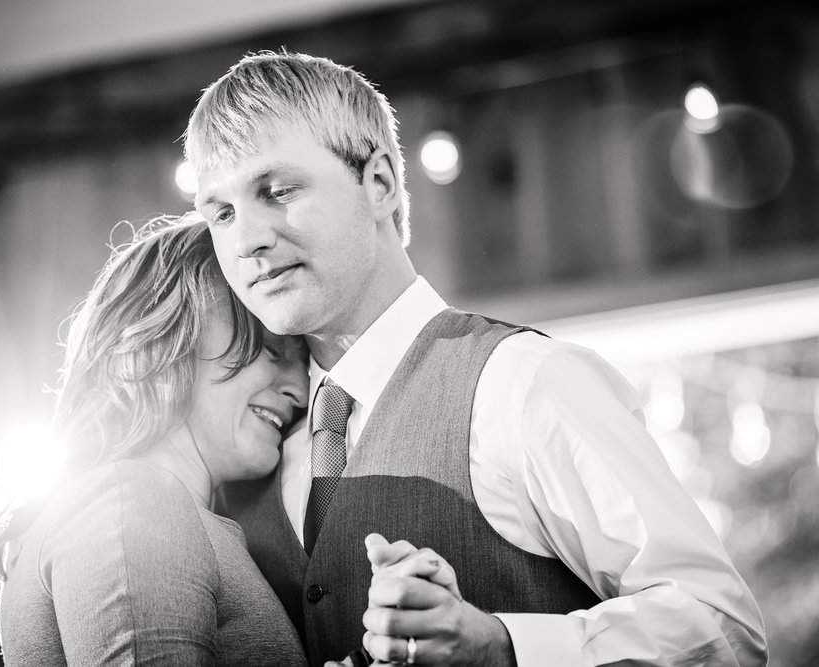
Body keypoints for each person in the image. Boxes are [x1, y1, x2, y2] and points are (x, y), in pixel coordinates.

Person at [184, 52, 768, 666]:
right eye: (220, 213)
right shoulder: (253, 441)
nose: (246, 239)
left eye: (278, 190)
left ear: (379, 183)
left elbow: (720, 626)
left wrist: (502, 645)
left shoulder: (525, 383)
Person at [0, 215, 311, 665]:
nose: (301, 391)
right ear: (171, 329)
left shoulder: (140, 507)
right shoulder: (135, 500)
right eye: (271, 348)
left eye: (303, 364)